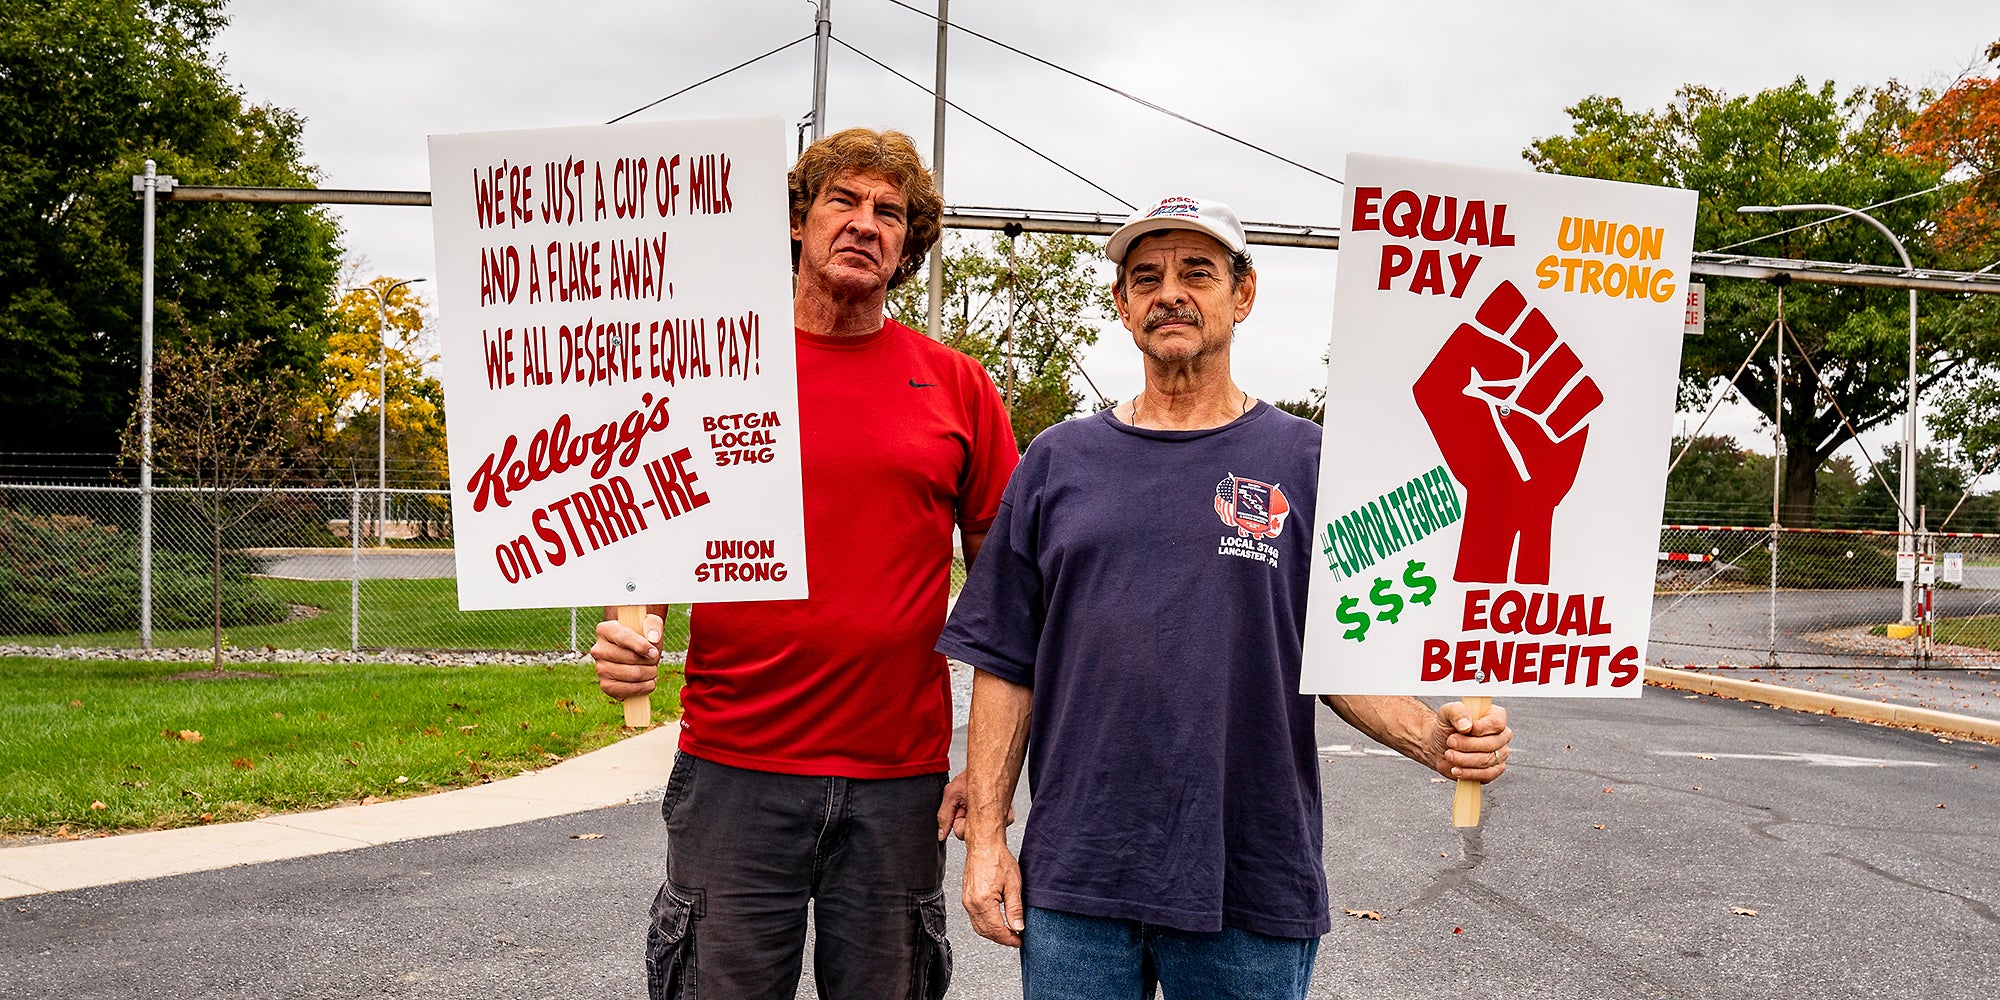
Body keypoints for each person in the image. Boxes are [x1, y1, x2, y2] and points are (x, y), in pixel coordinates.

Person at [940, 195, 1514, 999]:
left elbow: (1341, 651)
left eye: (1197, 273)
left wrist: (1435, 735)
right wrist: (987, 841)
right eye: (1146, 278)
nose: (1169, 292)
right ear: (1122, 306)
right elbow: (1006, 661)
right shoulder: (1056, 461)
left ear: (1243, 296)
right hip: (1077, 881)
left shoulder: (1309, 462)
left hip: (1250, 878)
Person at [591, 128, 1019, 1000]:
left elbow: (1011, 593)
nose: (866, 224)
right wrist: (630, 634)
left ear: (909, 246)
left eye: (890, 213)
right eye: (844, 201)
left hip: (899, 782)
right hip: (735, 770)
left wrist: (989, 772)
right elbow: (651, 536)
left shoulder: (957, 387)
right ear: (797, 219)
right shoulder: (711, 369)